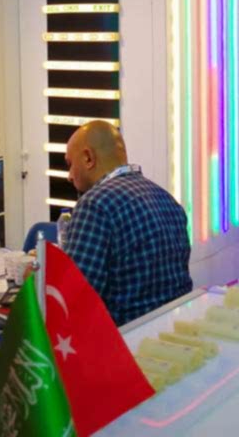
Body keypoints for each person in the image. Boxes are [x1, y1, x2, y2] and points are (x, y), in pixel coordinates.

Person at [63, 120, 192, 325]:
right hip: (171, 332)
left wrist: (37, 280)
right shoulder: (167, 200)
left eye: (70, 164)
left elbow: (74, 298)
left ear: (88, 158)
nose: (69, 176)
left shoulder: (94, 205)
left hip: (123, 338)